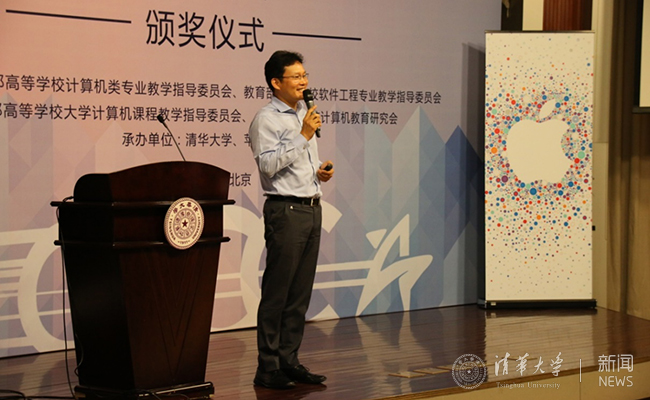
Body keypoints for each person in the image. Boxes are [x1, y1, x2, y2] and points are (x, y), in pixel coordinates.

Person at [248, 50, 334, 390]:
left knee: (299, 293)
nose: (304, 82)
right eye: (296, 77)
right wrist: (304, 135)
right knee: (278, 292)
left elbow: (296, 164)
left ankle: (289, 360)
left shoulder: (303, 115)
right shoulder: (266, 119)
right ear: (275, 82)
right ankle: (267, 368)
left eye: (305, 75)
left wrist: (319, 173)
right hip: (286, 212)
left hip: (311, 208)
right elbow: (268, 166)